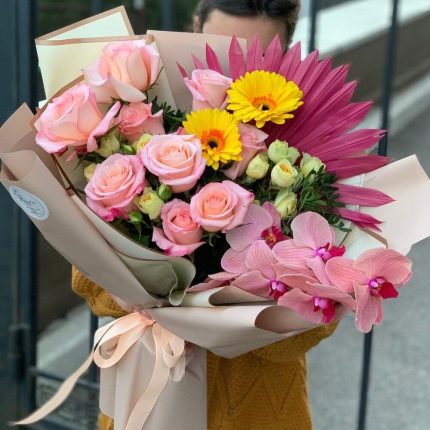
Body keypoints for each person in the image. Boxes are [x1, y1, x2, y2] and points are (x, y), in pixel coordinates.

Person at [73, 1, 338, 429]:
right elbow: (84, 273)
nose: (236, 74)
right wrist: (140, 302)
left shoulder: (314, 146)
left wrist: (244, 326)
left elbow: (321, 317)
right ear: (195, 26)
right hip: (148, 391)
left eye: (257, 56)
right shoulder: (138, 115)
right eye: (221, 47)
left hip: (259, 408)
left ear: (287, 49)